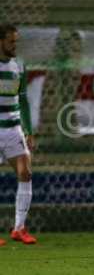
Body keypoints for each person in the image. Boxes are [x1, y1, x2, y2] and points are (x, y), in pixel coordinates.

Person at [0, 24, 36, 245]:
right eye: (11, 41)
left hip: (13, 129)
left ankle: (19, 228)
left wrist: (29, 131)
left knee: (26, 173)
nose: (15, 45)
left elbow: (23, 100)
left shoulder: (19, 66)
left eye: (16, 41)